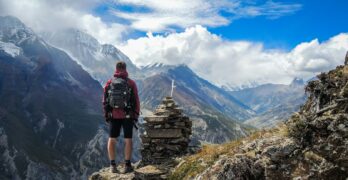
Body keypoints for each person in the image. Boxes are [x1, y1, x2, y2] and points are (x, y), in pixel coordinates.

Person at [103, 61, 140, 173]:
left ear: (116, 69)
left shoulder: (109, 83)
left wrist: (107, 114)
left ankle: (112, 166)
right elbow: (136, 100)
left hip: (114, 115)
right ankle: (127, 165)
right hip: (127, 115)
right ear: (125, 69)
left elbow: (104, 101)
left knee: (112, 139)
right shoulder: (131, 83)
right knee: (128, 140)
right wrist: (136, 115)